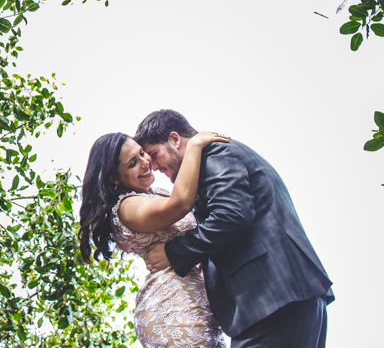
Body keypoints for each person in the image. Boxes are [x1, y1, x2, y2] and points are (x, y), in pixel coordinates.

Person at [138, 109, 333, 348]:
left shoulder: (214, 154)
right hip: (283, 300)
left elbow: (232, 216)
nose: (153, 166)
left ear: (175, 140)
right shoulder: (213, 157)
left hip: (273, 301)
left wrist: (174, 252)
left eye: (154, 154)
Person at [79, 129, 230, 348]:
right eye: (132, 163)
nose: (145, 162)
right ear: (114, 178)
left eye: (142, 153)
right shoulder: (127, 207)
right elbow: (180, 204)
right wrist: (195, 145)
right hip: (174, 311)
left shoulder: (154, 192)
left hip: (195, 305)